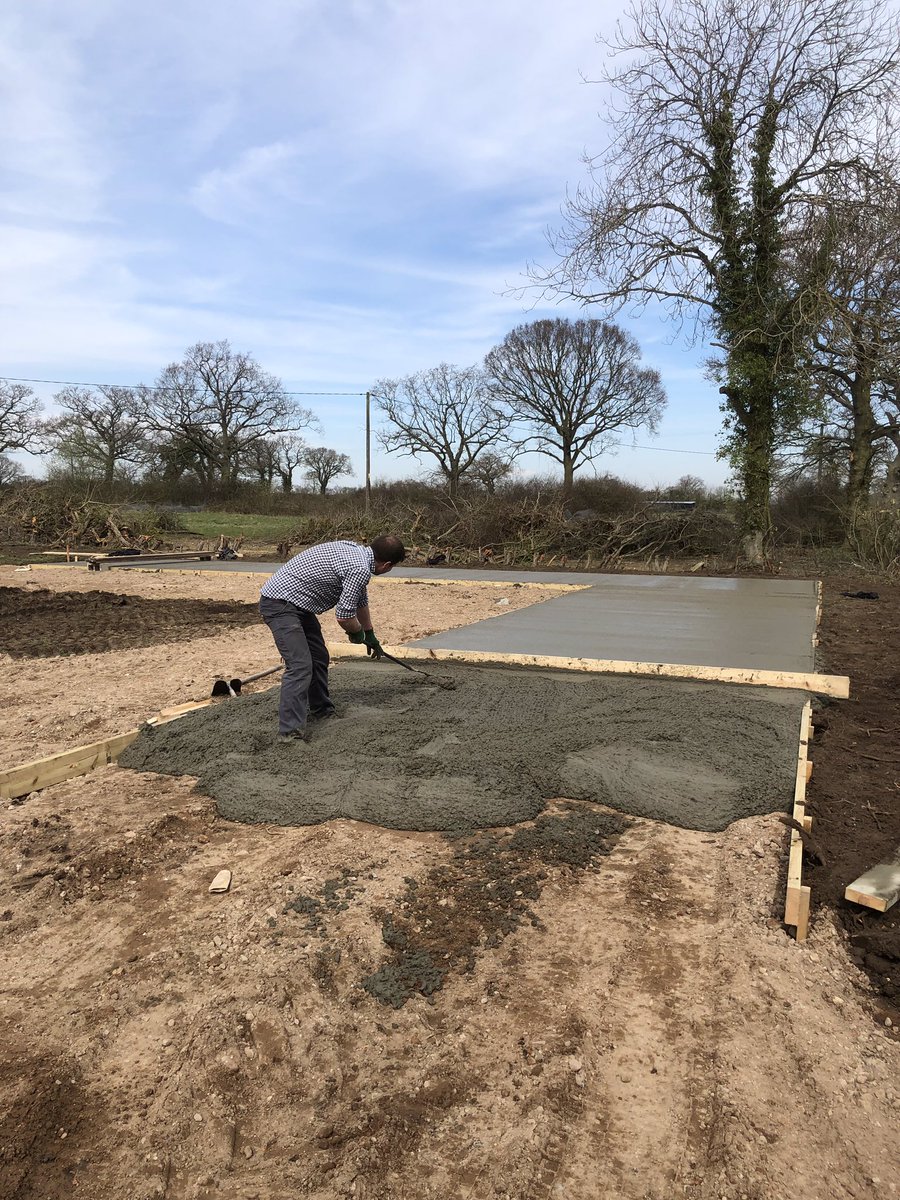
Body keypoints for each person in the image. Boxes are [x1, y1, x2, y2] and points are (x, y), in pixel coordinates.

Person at [259, 535, 406, 743]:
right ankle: (289, 733)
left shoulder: (356, 552)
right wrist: (357, 633)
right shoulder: (360, 568)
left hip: (299, 604)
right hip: (280, 605)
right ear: (387, 565)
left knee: (318, 657)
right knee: (300, 666)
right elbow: (345, 617)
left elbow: (360, 600)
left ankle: (321, 709)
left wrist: (370, 634)